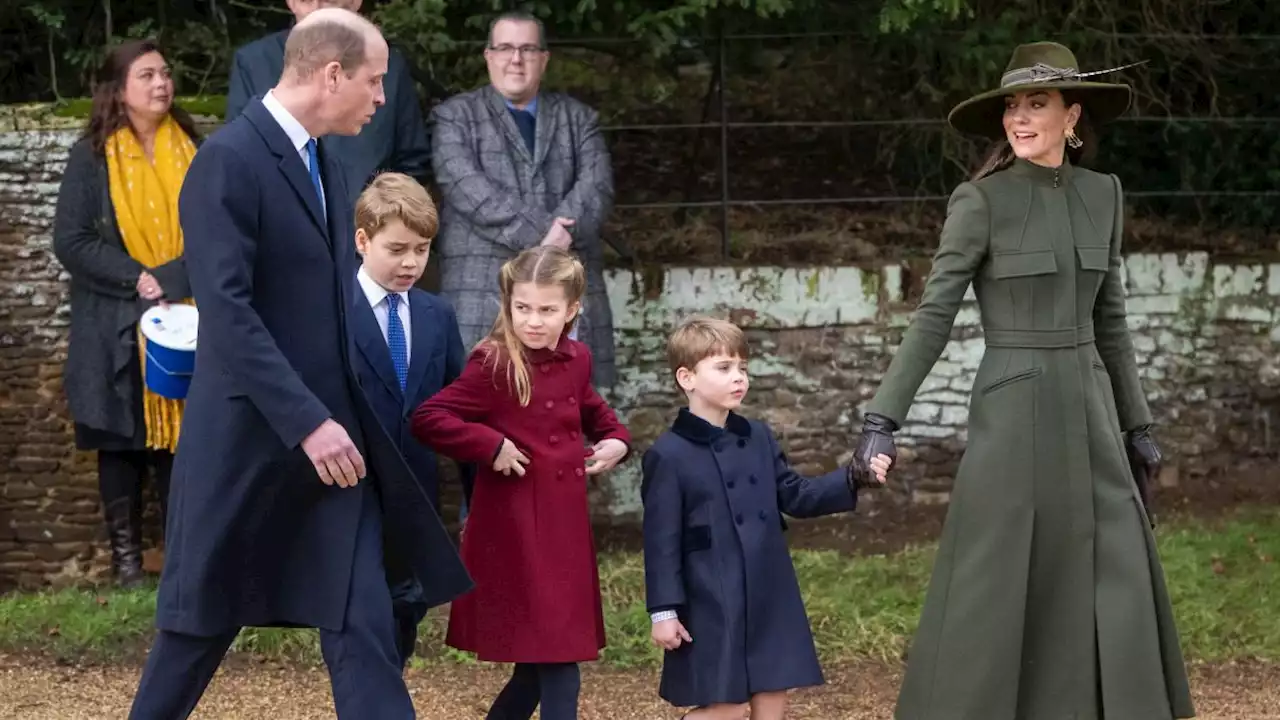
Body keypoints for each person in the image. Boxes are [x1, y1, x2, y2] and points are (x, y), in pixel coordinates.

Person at [127, 10, 469, 719]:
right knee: (197, 631)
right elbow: (228, 313)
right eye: (374, 82)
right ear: (332, 73)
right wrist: (307, 422)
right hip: (250, 449)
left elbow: (329, 306)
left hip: (333, 457)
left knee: (363, 622)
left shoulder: (322, 160)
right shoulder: (228, 160)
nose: (381, 99)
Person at [846, 41, 1194, 719]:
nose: (1020, 117)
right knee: (998, 578)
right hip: (1013, 410)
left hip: (1093, 409)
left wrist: (1139, 425)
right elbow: (934, 316)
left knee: (1111, 568)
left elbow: (1112, 321)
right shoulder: (979, 202)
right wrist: (881, 420)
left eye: (1038, 103)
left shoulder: (1104, 193)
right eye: (1012, 105)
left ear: (1073, 116)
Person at [410, 245, 631, 720]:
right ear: (507, 305)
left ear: (572, 310)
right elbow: (429, 417)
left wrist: (617, 439)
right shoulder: (493, 363)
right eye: (522, 308)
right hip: (515, 532)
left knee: (539, 665)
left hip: (565, 530)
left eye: (547, 310)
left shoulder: (577, 358)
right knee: (557, 661)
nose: (533, 320)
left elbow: (592, 408)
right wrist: (491, 445)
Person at [642, 316, 891, 720]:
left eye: (743, 368)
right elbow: (660, 542)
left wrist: (853, 476)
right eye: (723, 368)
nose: (738, 377)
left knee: (772, 694)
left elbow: (795, 494)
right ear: (686, 378)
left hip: (767, 582)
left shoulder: (757, 435)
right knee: (729, 706)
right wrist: (664, 611)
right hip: (711, 594)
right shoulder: (667, 455)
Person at [52, 39, 201, 587]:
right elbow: (71, 239)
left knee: (179, 444)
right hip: (112, 321)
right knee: (120, 442)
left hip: (185, 315)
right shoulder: (90, 155)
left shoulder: (196, 148)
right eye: (147, 75)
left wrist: (171, 278)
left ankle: (181, 559)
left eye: (165, 73)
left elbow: (217, 228)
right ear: (119, 90)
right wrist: (134, 276)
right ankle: (127, 566)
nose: (162, 84)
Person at [431, 11, 617, 390]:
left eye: (527, 49)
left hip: (567, 295)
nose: (515, 59)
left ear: (544, 58)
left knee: (570, 415)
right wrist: (548, 237)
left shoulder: (580, 118)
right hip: (482, 291)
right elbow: (467, 188)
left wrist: (562, 234)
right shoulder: (454, 117)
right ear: (488, 56)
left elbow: (596, 187)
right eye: (505, 48)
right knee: (483, 420)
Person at [347, 170, 473, 667]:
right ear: (362, 240)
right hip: (349, 497)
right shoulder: (330, 310)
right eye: (397, 249)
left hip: (416, 500)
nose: (411, 262)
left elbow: (458, 409)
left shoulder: (437, 315)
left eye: (422, 249)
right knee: (359, 624)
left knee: (404, 615)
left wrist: (476, 498)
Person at [225, 0, 431, 204]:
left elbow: (412, 162)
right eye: (309, 3)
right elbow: (240, 159)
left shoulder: (388, 65)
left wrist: (382, 220)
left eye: (331, 5)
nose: (319, 14)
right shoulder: (254, 64)